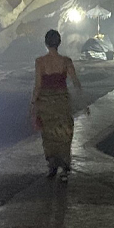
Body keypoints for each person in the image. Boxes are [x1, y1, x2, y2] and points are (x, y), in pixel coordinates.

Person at [31, 29, 85, 181]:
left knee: (48, 135)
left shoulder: (40, 62)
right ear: (59, 43)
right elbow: (75, 82)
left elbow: (38, 85)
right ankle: (65, 169)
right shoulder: (66, 61)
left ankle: (52, 165)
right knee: (64, 134)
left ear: (46, 43)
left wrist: (33, 103)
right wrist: (83, 102)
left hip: (46, 103)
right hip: (62, 102)